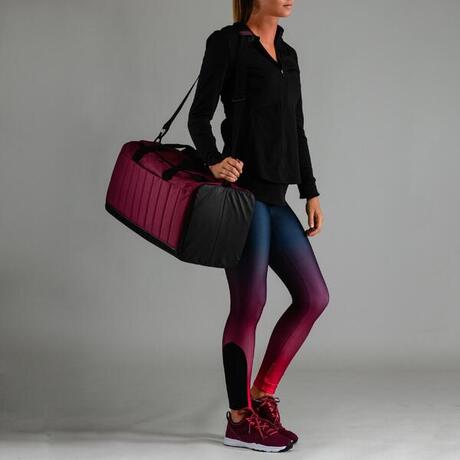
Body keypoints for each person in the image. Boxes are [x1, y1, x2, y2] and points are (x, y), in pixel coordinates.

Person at [187, 0, 329, 453]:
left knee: (313, 297)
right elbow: (199, 115)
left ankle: (262, 395)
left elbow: (296, 127)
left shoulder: (287, 54)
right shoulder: (227, 44)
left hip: (277, 198)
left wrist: (310, 190)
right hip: (243, 199)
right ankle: (238, 418)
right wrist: (213, 161)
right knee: (250, 304)